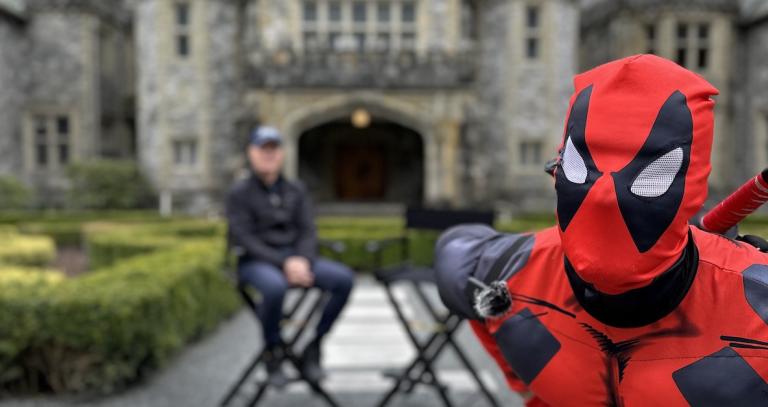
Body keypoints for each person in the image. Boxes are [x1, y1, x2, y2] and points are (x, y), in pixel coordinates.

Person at [434, 55, 768, 406]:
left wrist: (529, 383)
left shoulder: (509, 269)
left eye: (647, 178)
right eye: (586, 171)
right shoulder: (513, 272)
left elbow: (455, 259)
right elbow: (457, 262)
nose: (607, 196)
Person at [226, 125, 354, 386]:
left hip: (296, 258)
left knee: (343, 279)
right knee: (273, 288)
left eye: (274, 149)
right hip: (256, 261)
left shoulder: (296, 190)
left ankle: (314, 346)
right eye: (263, 149)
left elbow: (308, 231)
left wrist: (302, 260)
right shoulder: (239, 193)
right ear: (251, 153)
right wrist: (285, 263)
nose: (269, 155)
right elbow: (244, 238)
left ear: (283, 154)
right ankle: (273, 351)